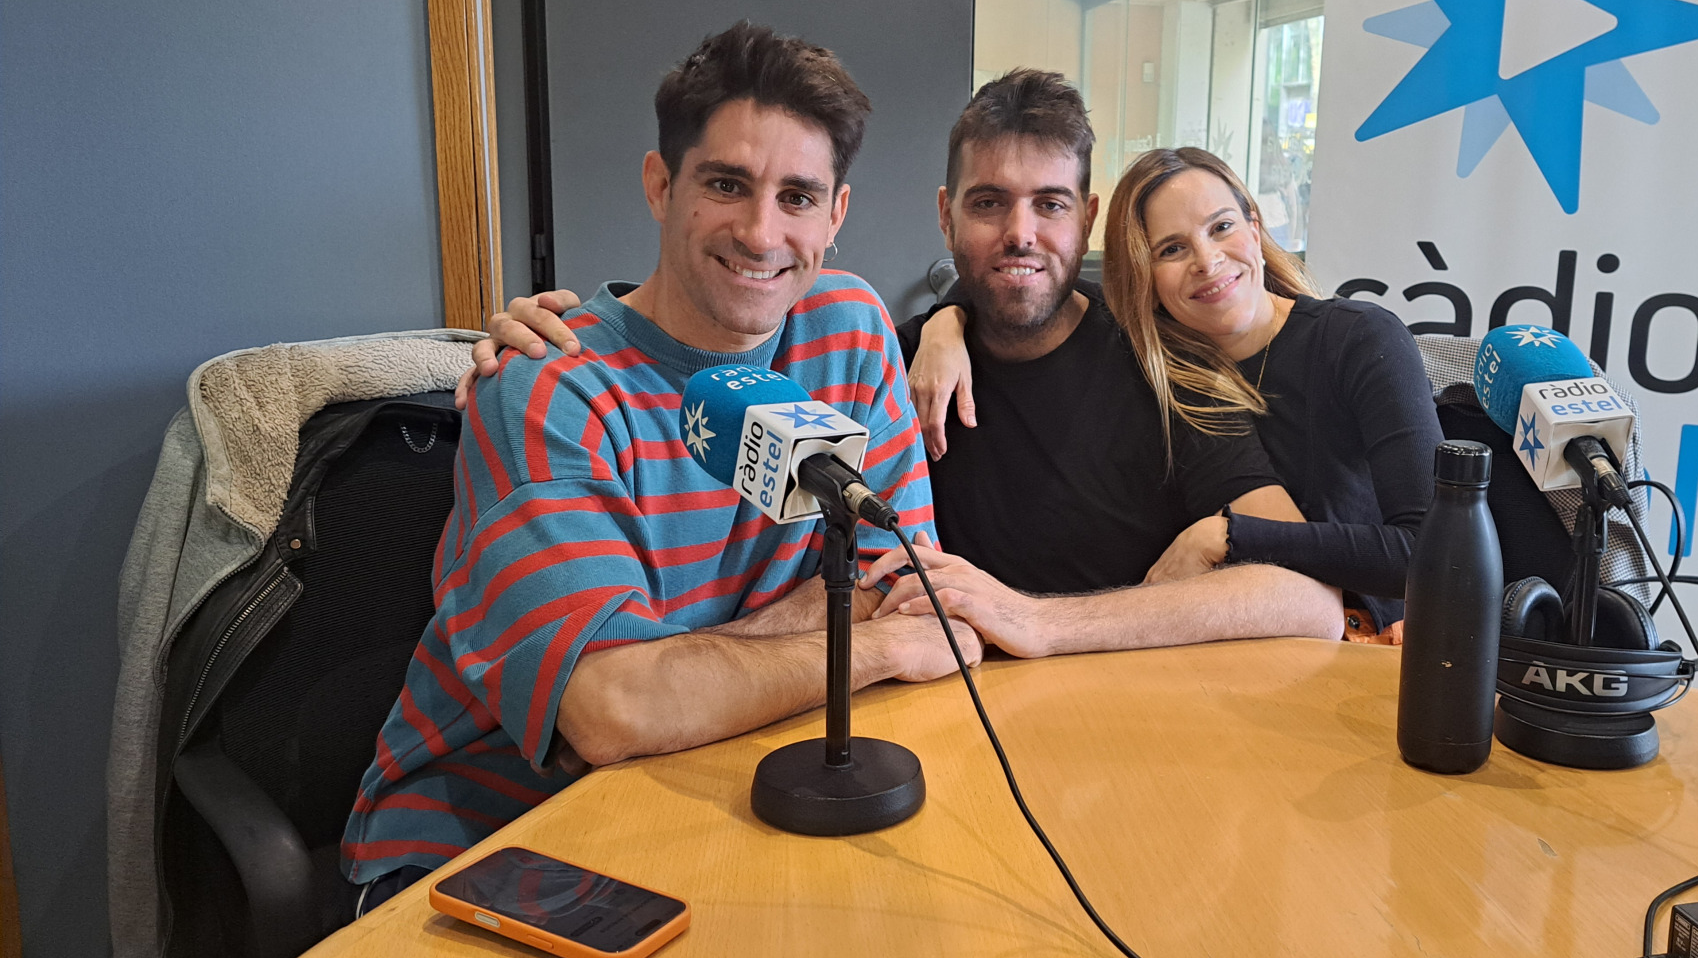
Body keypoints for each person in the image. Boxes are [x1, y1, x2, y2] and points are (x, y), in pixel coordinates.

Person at [342, 22, 978, 911]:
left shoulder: (850, 328)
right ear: (659, 185)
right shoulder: (548, 387)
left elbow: (903, 581)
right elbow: (612, 712)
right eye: (726, 184)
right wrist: (871, 645)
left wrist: (678, 670)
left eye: (798, 197)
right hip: (490, 845)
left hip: (726, 777)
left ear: (835, 215)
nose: (760, 232)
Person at [466, 69, 1344, 661]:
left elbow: (1306, 597)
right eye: (989, 203)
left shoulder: (1159, 360)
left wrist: (1038, 622)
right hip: (949, 726)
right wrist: (547, 342)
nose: (1020, 234)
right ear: (945, 214)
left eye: (1048, 205)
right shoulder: (891, 353)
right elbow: (705, 314)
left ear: (1087, 216)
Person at [905, 147, 1442, 641]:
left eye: (1222, 227)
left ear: (1255, 229)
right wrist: (947, 320)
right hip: (1253, 640)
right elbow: (1029, 283)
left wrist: (1227, 536)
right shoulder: (1159, 359)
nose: (1206, 261)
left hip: (1374, 632)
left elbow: (1435, 550)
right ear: (1145, 278)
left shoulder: (1359, 340)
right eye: (1172, 249)